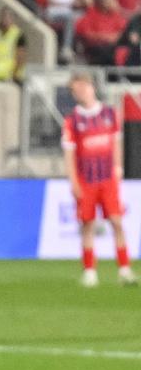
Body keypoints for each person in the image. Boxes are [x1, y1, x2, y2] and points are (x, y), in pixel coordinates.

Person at [61, 73, 132, 287]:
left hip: (107, 178)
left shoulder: (110, 114)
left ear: (92, 86)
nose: (81, 91)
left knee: (116, 222)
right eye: (76, 89)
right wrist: (73, 181)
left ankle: (124, 269)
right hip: (86, 180)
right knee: (87, 224)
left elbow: (117, 142)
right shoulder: (72, 121)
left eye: (83, 86)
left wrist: (118, 167)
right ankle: (90, 271)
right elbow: (69, 153)